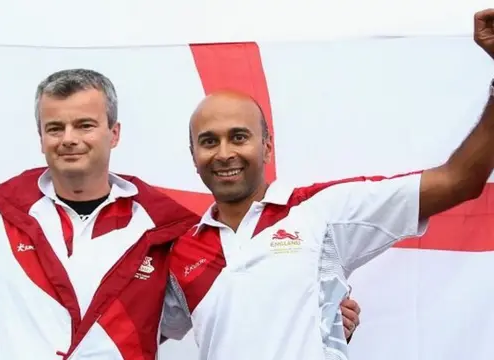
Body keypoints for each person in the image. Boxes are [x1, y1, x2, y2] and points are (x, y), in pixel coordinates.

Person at [0, 40, 361, 359]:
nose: (69, 138)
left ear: (114, 133)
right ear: (40, 137)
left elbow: (242, 288)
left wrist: (316, 309)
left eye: (84, 125)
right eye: (55, 127)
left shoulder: (167, 230)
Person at [160, 8, 494, 360]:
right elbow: (130, 331)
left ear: (267, 146)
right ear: (193, 154)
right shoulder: (182, 251)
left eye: (239, 137)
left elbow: (458, 180)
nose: (225, 153)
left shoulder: (321, 211)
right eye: (209, 141)